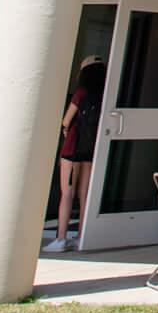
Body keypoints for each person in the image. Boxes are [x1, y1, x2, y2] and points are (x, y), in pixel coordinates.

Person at [46, 57, 107, 253]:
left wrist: (65, 129)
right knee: (84, 194)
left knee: (67, 193)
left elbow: (66, 121)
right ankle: (82, 236)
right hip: (90, 148)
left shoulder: (81, 92)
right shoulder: (103, 93)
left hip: (72, 148)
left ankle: (61, 238)